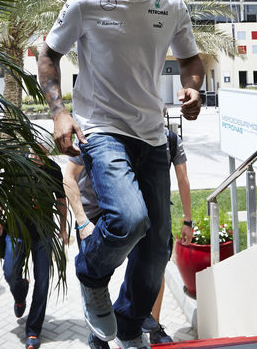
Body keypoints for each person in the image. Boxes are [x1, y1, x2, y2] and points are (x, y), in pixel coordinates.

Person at [37, 0, 204, 349]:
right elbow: (48, 55)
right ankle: (92, 273)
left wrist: (194, 89)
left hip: (152, 135)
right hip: (102, 128)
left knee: (156, 250)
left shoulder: (171, 5)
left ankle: (129, 324)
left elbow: (191, 61)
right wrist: (59, 113)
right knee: (130, 220)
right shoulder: (86, 2)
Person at [63, 123, 193, 347]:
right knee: (104, 266)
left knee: (155, 259)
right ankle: (99, 334)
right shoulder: (94, 134)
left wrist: (187, 220)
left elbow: (183, 179)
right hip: (94, 215)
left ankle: (133, 323)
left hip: (138, 211)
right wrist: (82, 222)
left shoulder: (166, 140)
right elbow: (68, 176)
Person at [0, 152, 69, 349]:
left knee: (43, 281)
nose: (38, 150)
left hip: (43, 233)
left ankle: (33, 331)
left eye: (42, 146)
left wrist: (62, 229)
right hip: (16, 230)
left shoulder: (53, 168)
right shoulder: (16, 165)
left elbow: (61, 199)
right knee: (10, 272)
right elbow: (2, 194)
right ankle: (20, 294)